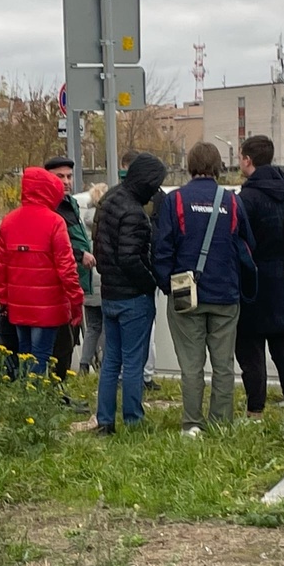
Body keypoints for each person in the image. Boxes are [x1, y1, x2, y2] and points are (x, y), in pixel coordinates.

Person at [155, 141, 255, 436]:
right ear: (217, 167)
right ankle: (221, 422)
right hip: (225, 294)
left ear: (190, 166)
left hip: (186, 295)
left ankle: (192, 425)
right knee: (223, 365)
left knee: (191, 364)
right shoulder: (232, 202)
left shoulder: (175, 201)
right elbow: (247, 248)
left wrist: (169, 286)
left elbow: (161, 250)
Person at [92, 152, 168, 434]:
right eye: (156, 183)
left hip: (110, 293)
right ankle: (133, 419)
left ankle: (105, 421)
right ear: (147, 181)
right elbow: (131, 258)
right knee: (134, 361)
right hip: (133, 298)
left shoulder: (109, 200)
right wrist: (151, 283)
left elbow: (101, 249)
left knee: (112, 360)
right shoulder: (135, 213)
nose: (157, 190)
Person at [234, 135, 284, 420]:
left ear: (248, 160)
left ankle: (255, 410)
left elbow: (238, 241)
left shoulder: (246, 199)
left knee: (251, 351)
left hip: (253, 283)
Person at [0, 166, 84, 375]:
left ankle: (25, 395)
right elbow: (67, 268)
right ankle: (36, 401)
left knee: (24, 352)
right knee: (41, 355)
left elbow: (2, 267)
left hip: (18, 304)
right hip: (48, 305)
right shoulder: (54, 222)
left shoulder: (8, 222)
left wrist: (4, 301)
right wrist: (76, 300)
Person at [45, 156, 96, 381]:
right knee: (61, 341)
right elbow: (55, 243)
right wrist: (80, 255)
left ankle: (61, 385)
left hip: (77, 280)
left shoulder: (71, 203)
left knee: (72, 336)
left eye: (69, 176)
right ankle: (57, 387)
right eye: (60, 177)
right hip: (61, 283)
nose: (66, 181)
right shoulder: (51, 206)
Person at [120, 150, 167, 391]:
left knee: (123, 343)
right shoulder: (154, 200)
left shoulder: (114, 199)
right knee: (145, 329)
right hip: (144, 274)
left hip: (122, 282)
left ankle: (139, 377)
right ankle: (142, 380)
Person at [78, 183, 110, 373]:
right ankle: (105, 365)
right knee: (107, 327)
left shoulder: (83, 222)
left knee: (92, 327)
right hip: (104, 282)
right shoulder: (106, 222)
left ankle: (84, 364)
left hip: (88, 282)